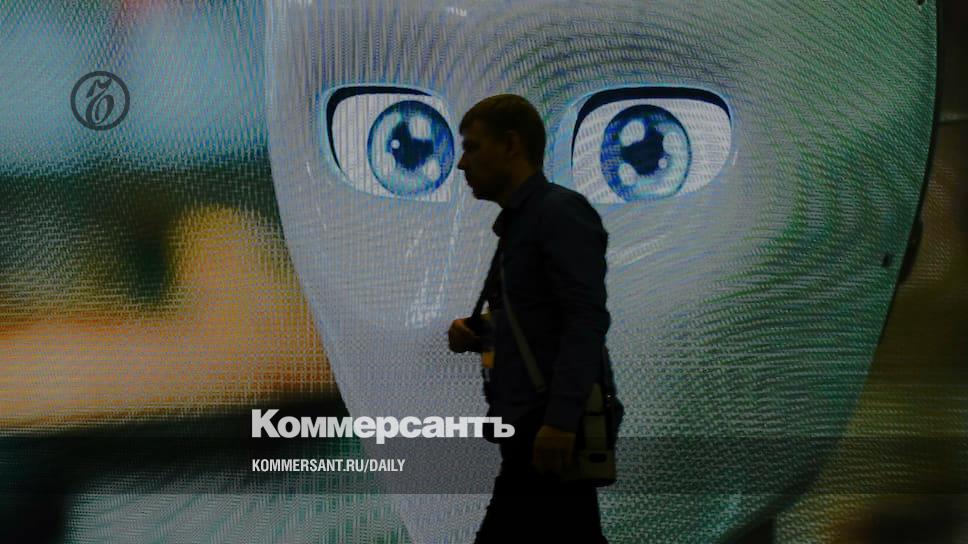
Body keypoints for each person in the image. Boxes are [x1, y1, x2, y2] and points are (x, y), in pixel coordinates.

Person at [447, 94, 611, 543]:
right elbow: (538, 321)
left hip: (543, 430)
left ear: (510, 145)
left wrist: (560, 421)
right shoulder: (525, 221)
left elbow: (585, 321)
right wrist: (478, 332)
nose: (462, 163)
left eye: (472, 147)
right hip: (531, 431)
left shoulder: (557, 213)